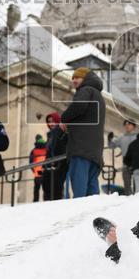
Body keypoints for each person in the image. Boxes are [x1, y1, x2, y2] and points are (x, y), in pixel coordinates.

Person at [60, 67, 107, 198]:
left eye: (77, 77)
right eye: (73, 78)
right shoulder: (99, 96)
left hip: (81, 148)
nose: (74, 80)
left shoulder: (85, 90)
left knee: (79, 191)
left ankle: (78, 216)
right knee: (92, 191)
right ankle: (93, 216)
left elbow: (79, 106)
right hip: (95, 151)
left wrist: (64, 118)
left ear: (85, 79)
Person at [108, 119, 138, 195]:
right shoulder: (121, 137)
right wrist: (110, 140)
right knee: (127, 186)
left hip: (137, 165)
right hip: (126, 165)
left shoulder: (138, 137)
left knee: (137, 186)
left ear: (133, 126)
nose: (127, 126)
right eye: (126, 124)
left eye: (129, 124)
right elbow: (112, 146)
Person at [44, 112, 69, 200]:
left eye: (53, 121)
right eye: (49, 122)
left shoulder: (62, 131)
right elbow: (48, 151)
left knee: (57, 189)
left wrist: (56, 160)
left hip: (60, 164)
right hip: (50, 165)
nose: (51, 124)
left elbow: (63, 147)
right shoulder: (50, 135)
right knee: (47, 186)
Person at [29, 134, 48, 202]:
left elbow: (30, 163)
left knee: (36, 189)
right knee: (46, 188)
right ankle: (46, 201)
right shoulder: (46, 149)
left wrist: (34, 171)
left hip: (37, 172)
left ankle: (35, 201)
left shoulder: (33, 151)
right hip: (45, 171)